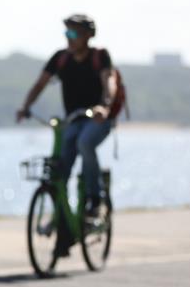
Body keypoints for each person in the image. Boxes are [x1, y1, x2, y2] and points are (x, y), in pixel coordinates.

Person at [16, 14, 117, 219]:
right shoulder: (61, 58)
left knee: (85, 143)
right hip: (73, 120)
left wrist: (104, 107)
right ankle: (60, 219)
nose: (69, 38)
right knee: (61, 167)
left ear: (88, 36)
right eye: (67, 33)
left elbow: (110, 84)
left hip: (98, 119)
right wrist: (25, 106)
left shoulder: (100, 56)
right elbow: (40, 84)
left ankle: (96, 200)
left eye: (74, 33)